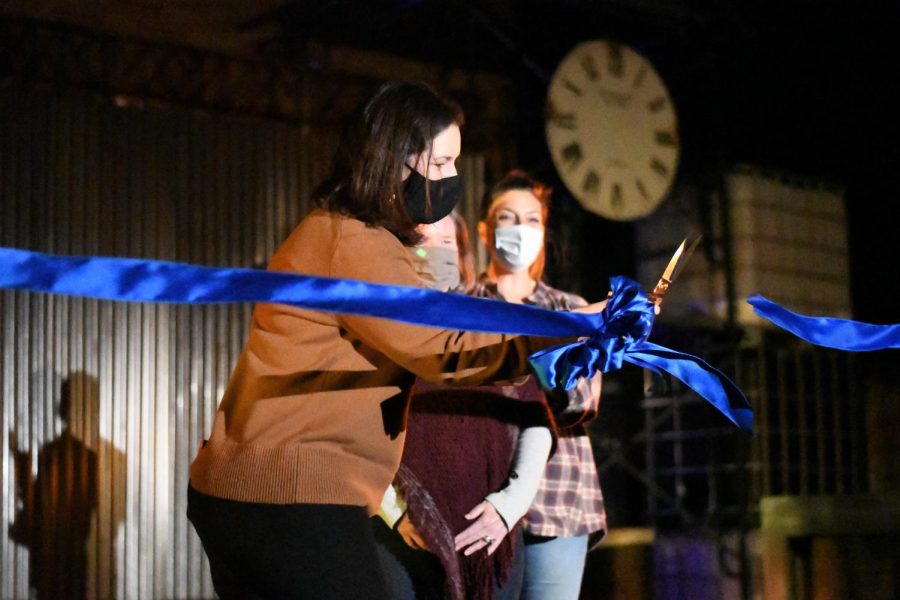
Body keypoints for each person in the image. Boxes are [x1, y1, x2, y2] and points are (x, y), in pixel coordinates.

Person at [185, 82, 605, 599]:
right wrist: (569, 330)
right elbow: (446, 347)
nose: (453, 178)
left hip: (256, 491)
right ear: (400, 160)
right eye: (444, 162)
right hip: (290, 494)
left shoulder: (340, 233)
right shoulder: (355, 242)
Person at [373, 211, 556, 600]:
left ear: (462, 255)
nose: (434, 253)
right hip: (402, 537)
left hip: (492, 535)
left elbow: (535, 420)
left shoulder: (495, 324)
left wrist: (509, 507)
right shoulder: (376, 329)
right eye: (421, 242)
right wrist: (398, 514)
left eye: (446, 243)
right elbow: (353, 434)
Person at [473, 170, 606, 600]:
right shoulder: (464, 306)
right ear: (484, 229)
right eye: (507, 218)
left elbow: (581, 401)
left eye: (532, 220)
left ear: (544, 230)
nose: (519, 230)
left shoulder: (568, 311)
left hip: (558, 497)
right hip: (481, 496)